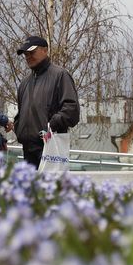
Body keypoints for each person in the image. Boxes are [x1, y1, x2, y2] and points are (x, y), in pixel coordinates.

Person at [13, 35, 80, 168]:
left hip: (51, 147)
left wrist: (51, 126)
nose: (28, 56)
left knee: (50, 188)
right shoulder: (25, 83)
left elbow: (72, 110)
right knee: (31, 188)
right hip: (28, 149)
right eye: (25, 54)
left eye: (32, 52)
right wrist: (19, 128)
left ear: (45, 50)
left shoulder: (60, 75)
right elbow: (21, 112)